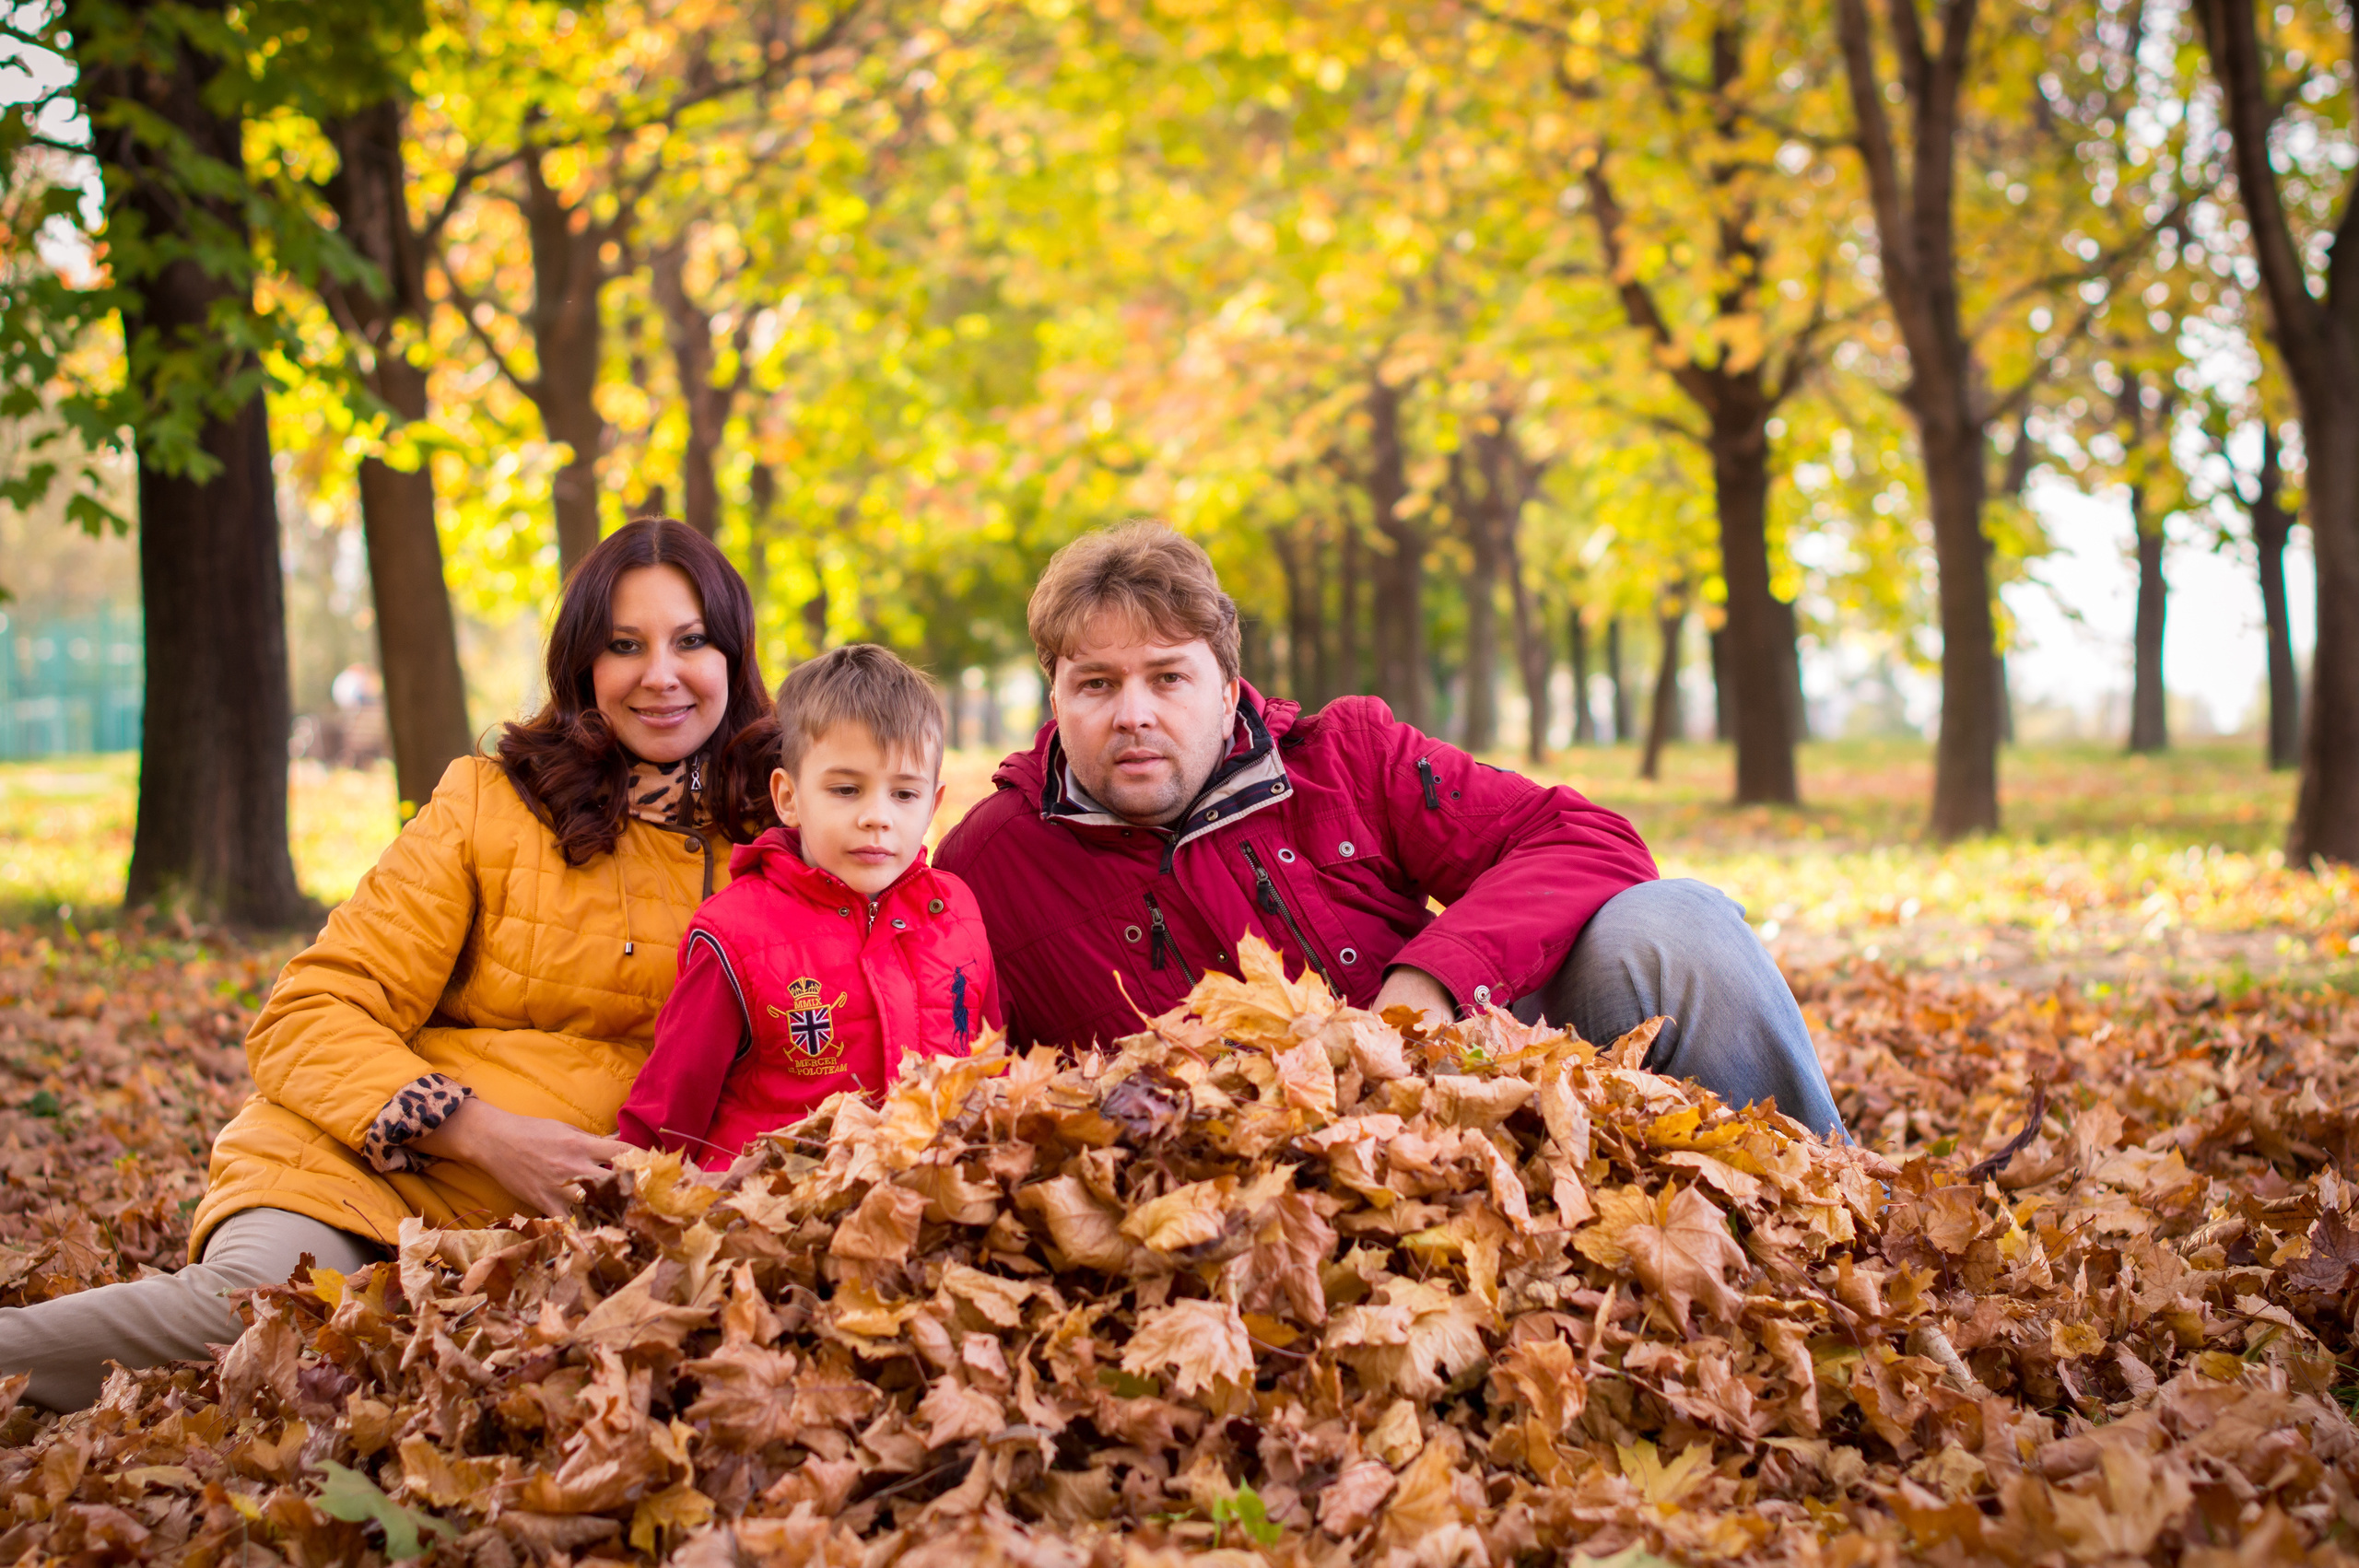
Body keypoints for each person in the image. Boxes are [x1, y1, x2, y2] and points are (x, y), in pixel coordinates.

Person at [0, 519, 776, 1411]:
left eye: (691, 641)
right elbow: (308, 1014)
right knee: (257, 1316)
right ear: (583, 666)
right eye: (625, 645)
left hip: (554, 1246)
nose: (660, 674)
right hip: (364, 1178)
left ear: (733, 656)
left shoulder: (785, 837)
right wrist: (481, 1132)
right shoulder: (491, 805)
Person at [935, 521, 1847, 1140]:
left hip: (1479, 1114)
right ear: (1055, 694)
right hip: (1236, 1221)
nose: (1132, 713)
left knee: (1673, 920)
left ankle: (1834, 1211)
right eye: (1096, 684)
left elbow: (1586, 838)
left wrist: (1430, 981)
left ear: (1226, 685)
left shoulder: (1346, 759)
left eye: (1167, 677)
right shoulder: (987, 863)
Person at [617, 646, 998, 1168]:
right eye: (846, 789)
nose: (877, 817)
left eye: (904, 795)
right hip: (771, 1207)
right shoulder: (734, 934)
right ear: (788, 797)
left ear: (933, 804)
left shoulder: (956, 913)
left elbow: (991, 1071)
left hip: (926, 1199)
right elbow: (667, 1114)